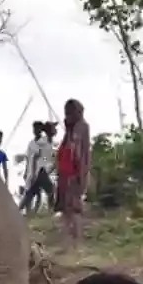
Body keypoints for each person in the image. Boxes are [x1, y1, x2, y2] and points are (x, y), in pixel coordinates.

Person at [55, 99, 91, 245]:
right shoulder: (70, 131)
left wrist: (81, 175)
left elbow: (79, 153)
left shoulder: (81, 127)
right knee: (65, 208)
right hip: (65, 174)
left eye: (69, 113)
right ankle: (69, 241)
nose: (67, 116)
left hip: (74, 174)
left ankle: (76, 242)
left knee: (74, 208)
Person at [20, 122, 56, 214]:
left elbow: (48, 156)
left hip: (39, 170)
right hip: (38, 170)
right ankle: (50, 211)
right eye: (35, 128)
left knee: (30, 193)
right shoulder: (37, 143)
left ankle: (19, 211)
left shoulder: (46, 141)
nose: (37, 130)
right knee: (49, 190)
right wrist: (29, 172)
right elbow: (31, 158)